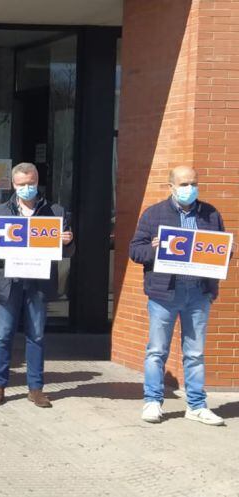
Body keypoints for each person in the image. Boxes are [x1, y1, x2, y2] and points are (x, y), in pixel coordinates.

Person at [130, 165, 231, 426]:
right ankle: (153, 401)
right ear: (171, 187)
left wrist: (226, 251)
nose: (190, 189)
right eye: (184, 184)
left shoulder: (210, 214)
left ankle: (196, 405)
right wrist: (152, 250)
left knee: (195, 352)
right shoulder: (154, 214)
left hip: (198, 292)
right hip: (164, 293)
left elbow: (218, 248)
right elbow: (135, 250)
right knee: (156, 350)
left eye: (193, 183)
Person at [0, 162, 74, 408]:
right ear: (14, 184)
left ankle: (35, 389)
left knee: (37, 335)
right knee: (3, 335)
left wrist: (68, 240)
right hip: (9, 283)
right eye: (22, 184)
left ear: (37, 181)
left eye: (31, 183)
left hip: (39, 283)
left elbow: (68, 251)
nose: (27, 188)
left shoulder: (55, 211)